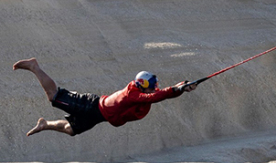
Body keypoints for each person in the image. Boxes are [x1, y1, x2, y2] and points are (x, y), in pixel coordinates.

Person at [14, 58, 197, 136]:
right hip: (91, 106)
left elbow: (162, 95)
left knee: (70, 130)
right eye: (152, 85)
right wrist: (176, 89)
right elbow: (156, 97)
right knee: (53, 96)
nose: (155, 88)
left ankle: (45, 124)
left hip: (97, 116)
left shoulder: (143, 94)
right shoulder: (134, 94)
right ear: (143, 85)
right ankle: (34, 66)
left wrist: (183, 87)